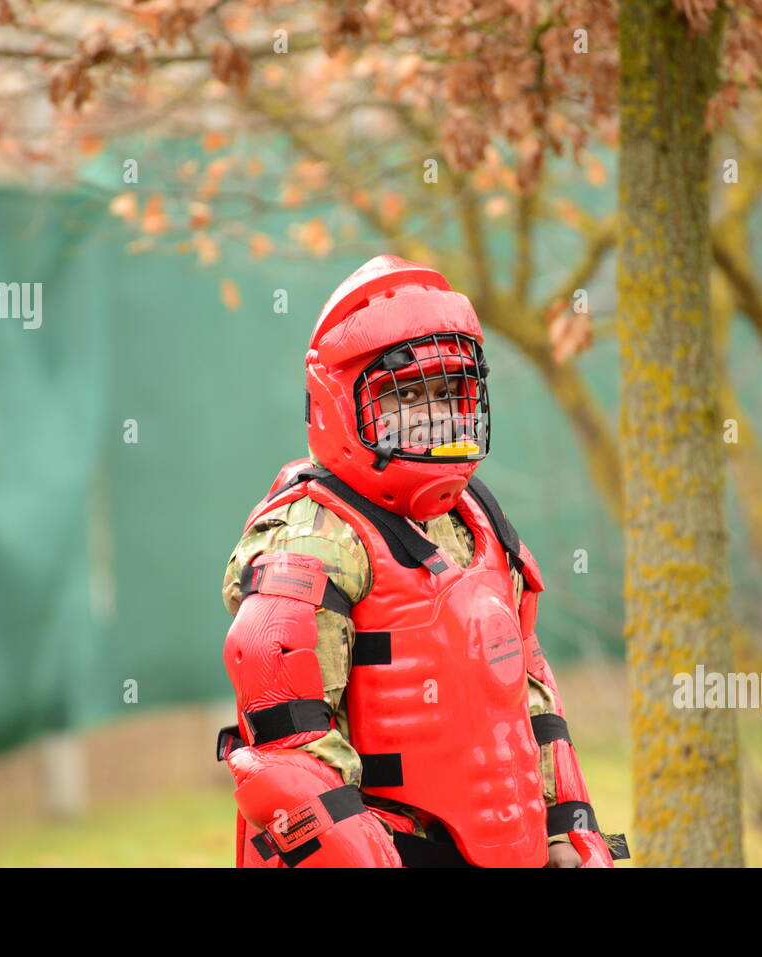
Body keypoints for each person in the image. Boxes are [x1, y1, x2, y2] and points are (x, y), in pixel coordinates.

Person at [216, 255, 627, 868]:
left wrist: (569, 827)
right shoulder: (313, 536)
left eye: (449, 392)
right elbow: (289, 759)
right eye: (407, 394)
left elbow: (528, 697)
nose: (435, 414)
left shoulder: (479, 519)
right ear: (342, 399)